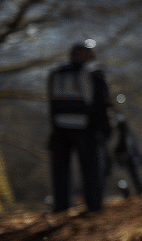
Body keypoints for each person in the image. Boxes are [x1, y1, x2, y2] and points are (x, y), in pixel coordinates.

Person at [47, 39, 112, 212]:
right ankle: (94, 206)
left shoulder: (57, 73)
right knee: (91, 169)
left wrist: (54, 128)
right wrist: (104, 128)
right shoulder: (93, 73)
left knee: (61, 170)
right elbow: (101, 103)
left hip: (60, 127)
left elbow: (52, 104)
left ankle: (62, 206)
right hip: (86, 128)